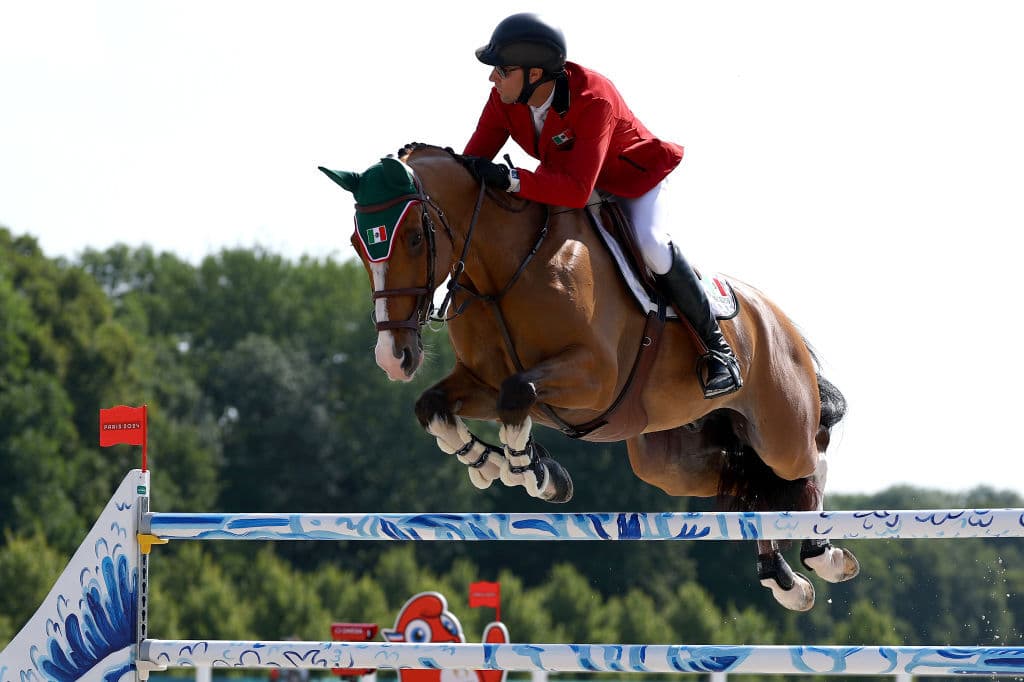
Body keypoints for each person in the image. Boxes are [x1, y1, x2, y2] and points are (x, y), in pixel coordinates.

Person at [463, 13, 742, 398]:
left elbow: (578, 190)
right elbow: (473, 161)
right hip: (569, 180)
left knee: (651, 244)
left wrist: (512, 179)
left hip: (632, 182)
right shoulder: (505, 99)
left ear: (534, 75)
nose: (492, 78)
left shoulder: (593, 98)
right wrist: (432, 170)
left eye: (502, 70)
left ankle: (719, 350)